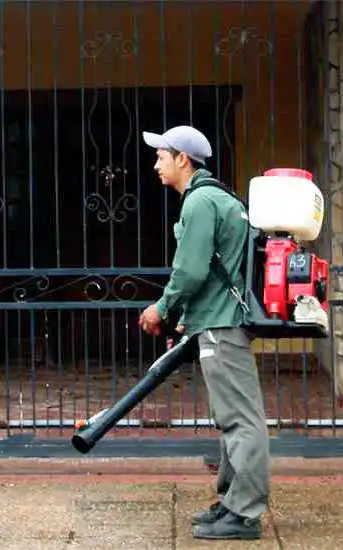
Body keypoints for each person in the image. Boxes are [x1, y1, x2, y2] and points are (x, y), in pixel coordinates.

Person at [137, 125, 270, 541]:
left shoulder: (198, 202)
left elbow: (191, 270)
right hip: (217, 319)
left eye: (162, 155)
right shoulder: (218, 197)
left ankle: (244, 513)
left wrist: (162, 307)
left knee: (242, 420)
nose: (156, 163)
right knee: (231, 417)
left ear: (183, 159)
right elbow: (216, 269)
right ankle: (232, 500)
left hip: (221, 324)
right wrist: (186, 317)